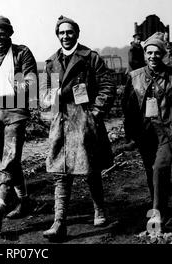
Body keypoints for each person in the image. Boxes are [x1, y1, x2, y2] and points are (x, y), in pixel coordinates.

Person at [40, 15, 116, 240]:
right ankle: (59, 222)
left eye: (69, 32)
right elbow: (46, 92)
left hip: (84, 121)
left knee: (90, 168)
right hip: (61, 121)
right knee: (60, 172)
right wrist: (48, 100)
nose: (65, 36)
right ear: (57, 35)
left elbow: (107, 85)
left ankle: (99, 208)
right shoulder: (51, 62)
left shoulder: (90, 57)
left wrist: (95, 113)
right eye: (61, 33)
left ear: (77, 34)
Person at [122, 32, 172, 234]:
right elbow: (127, 108)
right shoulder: (134, 77)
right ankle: (161, 207)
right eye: (149, 52)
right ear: (144, 54)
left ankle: (156, 215)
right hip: (145, 133)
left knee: (159, 168)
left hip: (169, 131)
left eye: (157, 52)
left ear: (163, 54)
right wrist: (129, 135)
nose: (153, 56)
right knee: (151, 173)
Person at [0, 15, 38, 232]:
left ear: (10, 34)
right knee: (7, 160)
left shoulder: (22, 53)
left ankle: (0, 206)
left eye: (2, 33)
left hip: (15, 112)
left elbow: (31, 79)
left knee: (9, 160)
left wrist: (13, 91)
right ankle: (25, 201)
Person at [123, 33, 145, 150]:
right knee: (130, 105)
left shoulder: (140, 48)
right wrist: (143, 67)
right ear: (134, 39)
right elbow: (132, 62)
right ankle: (129, 138)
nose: (138, 41)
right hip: (134, 74)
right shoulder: (132, 49)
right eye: (137, 39)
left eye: (140, 39)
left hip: (139, 74)